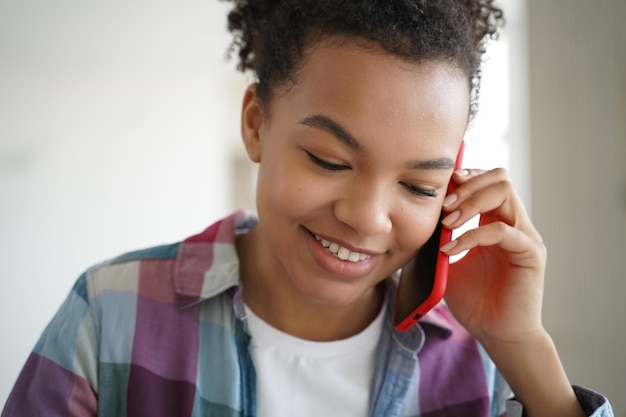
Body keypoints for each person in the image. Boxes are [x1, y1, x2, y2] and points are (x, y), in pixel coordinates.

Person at [1, 1, 615, 416]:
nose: (369, 219)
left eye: (420, 187)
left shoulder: (482, 365)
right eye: (329, 160)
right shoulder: (110, 315)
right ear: (257, 124)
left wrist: (523, 348)